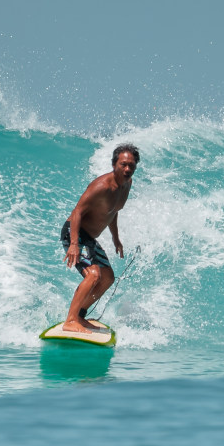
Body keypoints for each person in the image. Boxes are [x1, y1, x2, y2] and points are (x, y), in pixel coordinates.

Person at [60, 143, 140, 333]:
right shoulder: (102, 186)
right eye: (123, 164)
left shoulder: (126, 185)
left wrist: (116, 239)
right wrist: (73, 244)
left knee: (108, 277)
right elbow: (78, 211)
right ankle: (70, 320)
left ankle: (80, 315)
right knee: (93, 274)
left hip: (88, 238)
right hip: (75, 232)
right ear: (114, 165)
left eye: (131, 165)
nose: (127, 169)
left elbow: (113, 212)